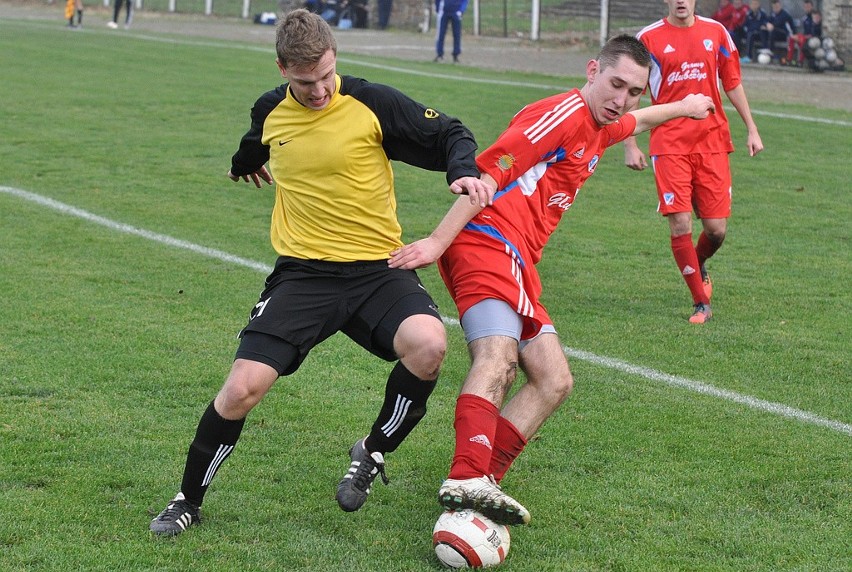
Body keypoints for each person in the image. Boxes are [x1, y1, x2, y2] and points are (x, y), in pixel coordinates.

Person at [148, 8, 494, 536]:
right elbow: (253, 144)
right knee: (242, 388)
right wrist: (244, 166)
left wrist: (463, 172)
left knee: (429, 346)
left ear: (336, 60)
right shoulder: (270, 111)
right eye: (307, 82)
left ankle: (373, 452)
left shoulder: (369, 101)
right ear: (283, 67)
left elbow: (451, 132)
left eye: (328, 76)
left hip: (377, 269)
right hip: (304, 275)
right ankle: (186, 499)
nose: (320, 91)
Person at [388, 35, 715, 525]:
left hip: (516, 259)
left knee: (554, 379)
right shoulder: (561, 115)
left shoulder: (602, 123)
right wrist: (436, 241)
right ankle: (466, 477)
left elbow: (639, 120)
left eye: (633, 91)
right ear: (592, 71)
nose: (622, 99)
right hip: (485, 241)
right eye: (615, 84)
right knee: (497, 357)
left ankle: (481, 486)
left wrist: (683, 105)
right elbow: (492, 173)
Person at [624, 0, 764, 324]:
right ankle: (701, 303)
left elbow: (732, 82)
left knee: (716, 230)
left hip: (712, 141)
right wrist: (630, 144)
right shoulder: (648, 39)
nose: (681, 1)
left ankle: (697, 262)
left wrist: (752, 129)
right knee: (681, 223)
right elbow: (632, 95)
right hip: (669, 143)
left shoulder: (717, 32)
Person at [786, 1, 821, 66]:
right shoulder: (805, 18)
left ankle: (800, 62)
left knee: (803, 41)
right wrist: (798, 36)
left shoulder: (815, 15)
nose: (807, 8)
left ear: (812, 7)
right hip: (805, 37)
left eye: (808, 7)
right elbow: (804, 31)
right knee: (792, 38)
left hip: (813, 39)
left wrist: (807, 36)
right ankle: (789, 60)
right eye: (805, 7)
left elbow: (817, 30)